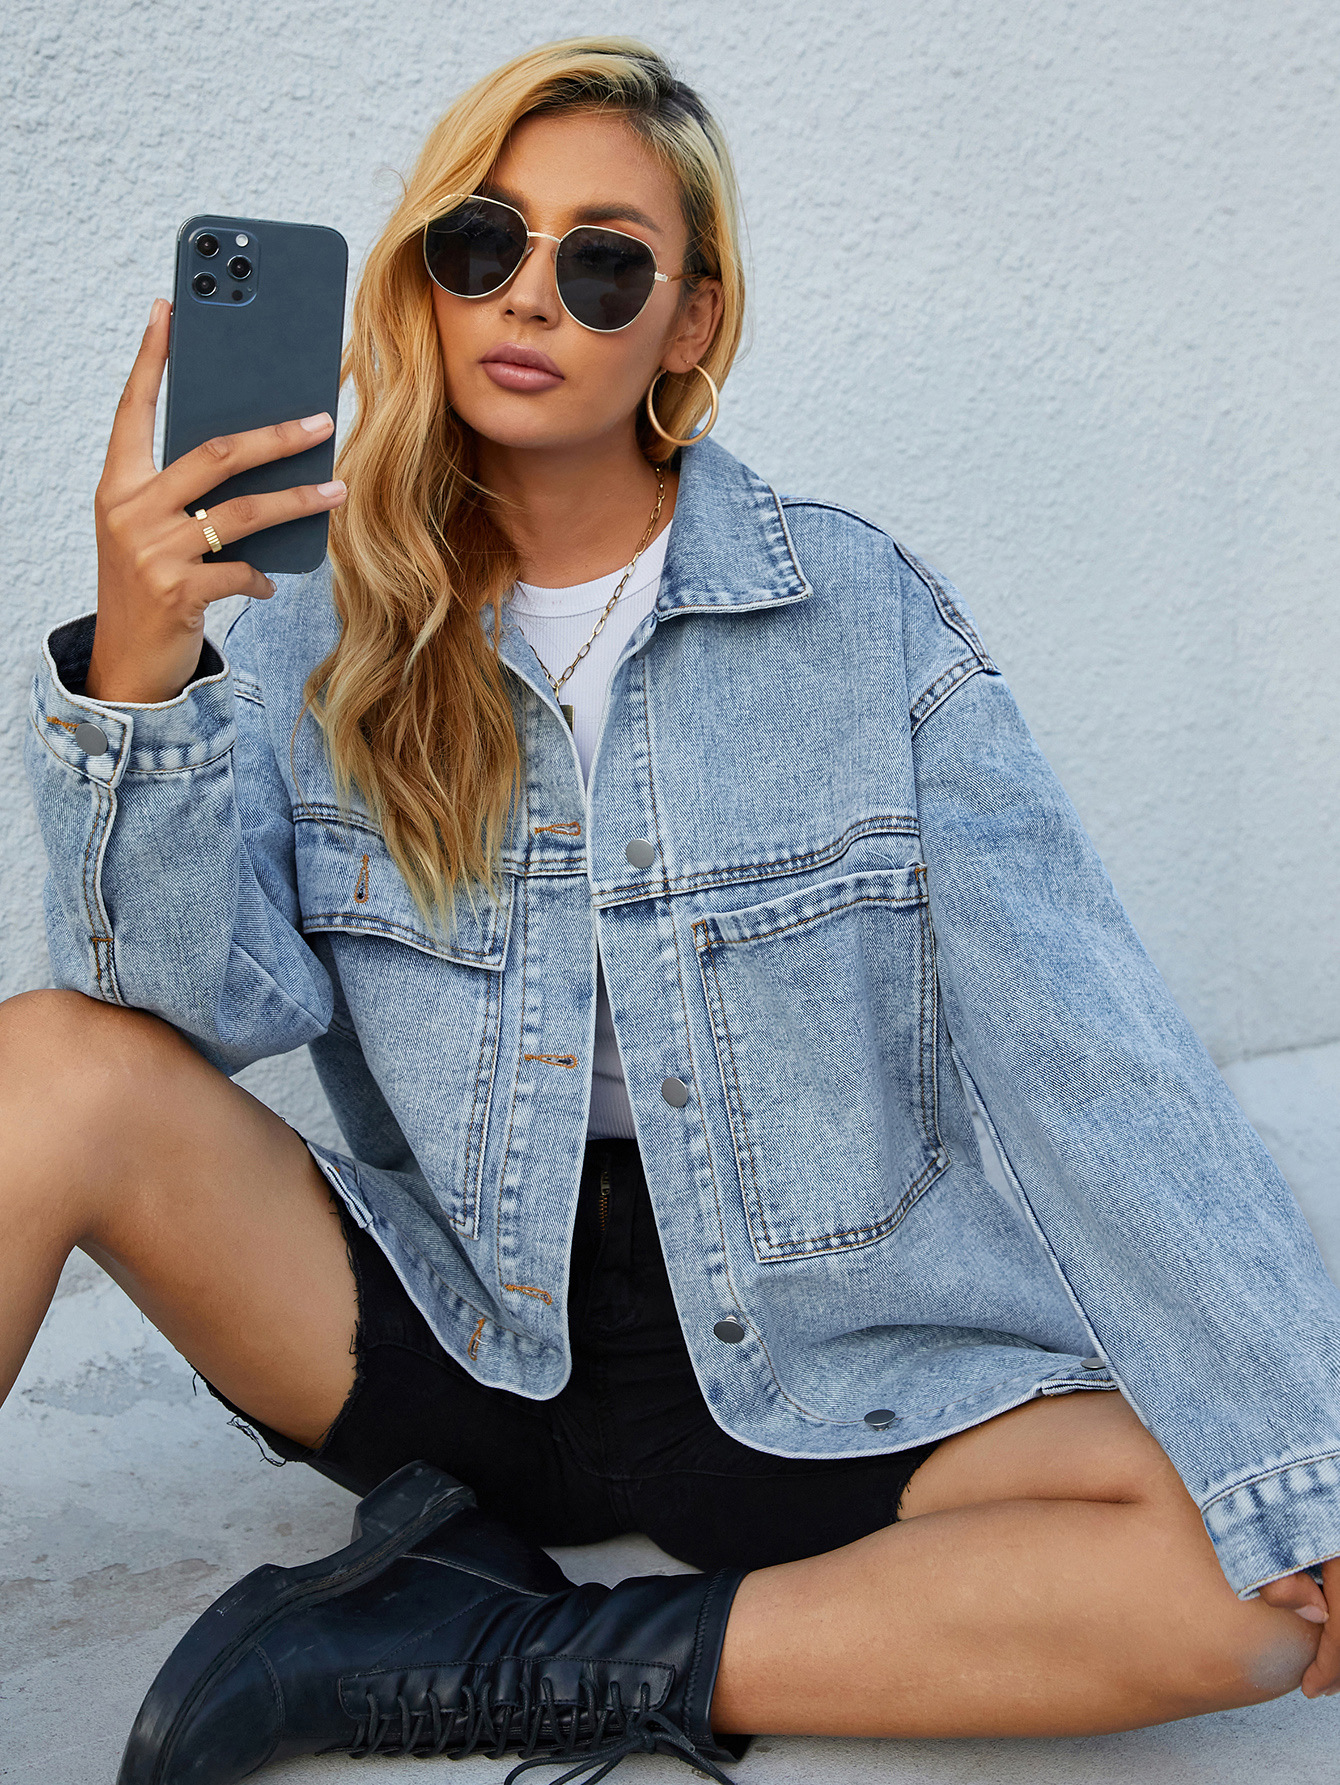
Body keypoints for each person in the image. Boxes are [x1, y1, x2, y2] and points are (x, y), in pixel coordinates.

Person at [9, 35, 1340, 1785]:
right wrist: (142, 667)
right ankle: (547, 1601)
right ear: (427, 274)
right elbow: (191, 1011)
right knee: (47, 1063)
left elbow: (1093, 1055)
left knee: (1252, 1583)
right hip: (460, 1337)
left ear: (688, 322)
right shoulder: (311, 619)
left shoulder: (855, 613)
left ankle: (491, 1649)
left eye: (603, 263)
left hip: (808, 1358)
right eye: (485, 241)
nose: (529, 295)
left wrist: (1296, 1444)